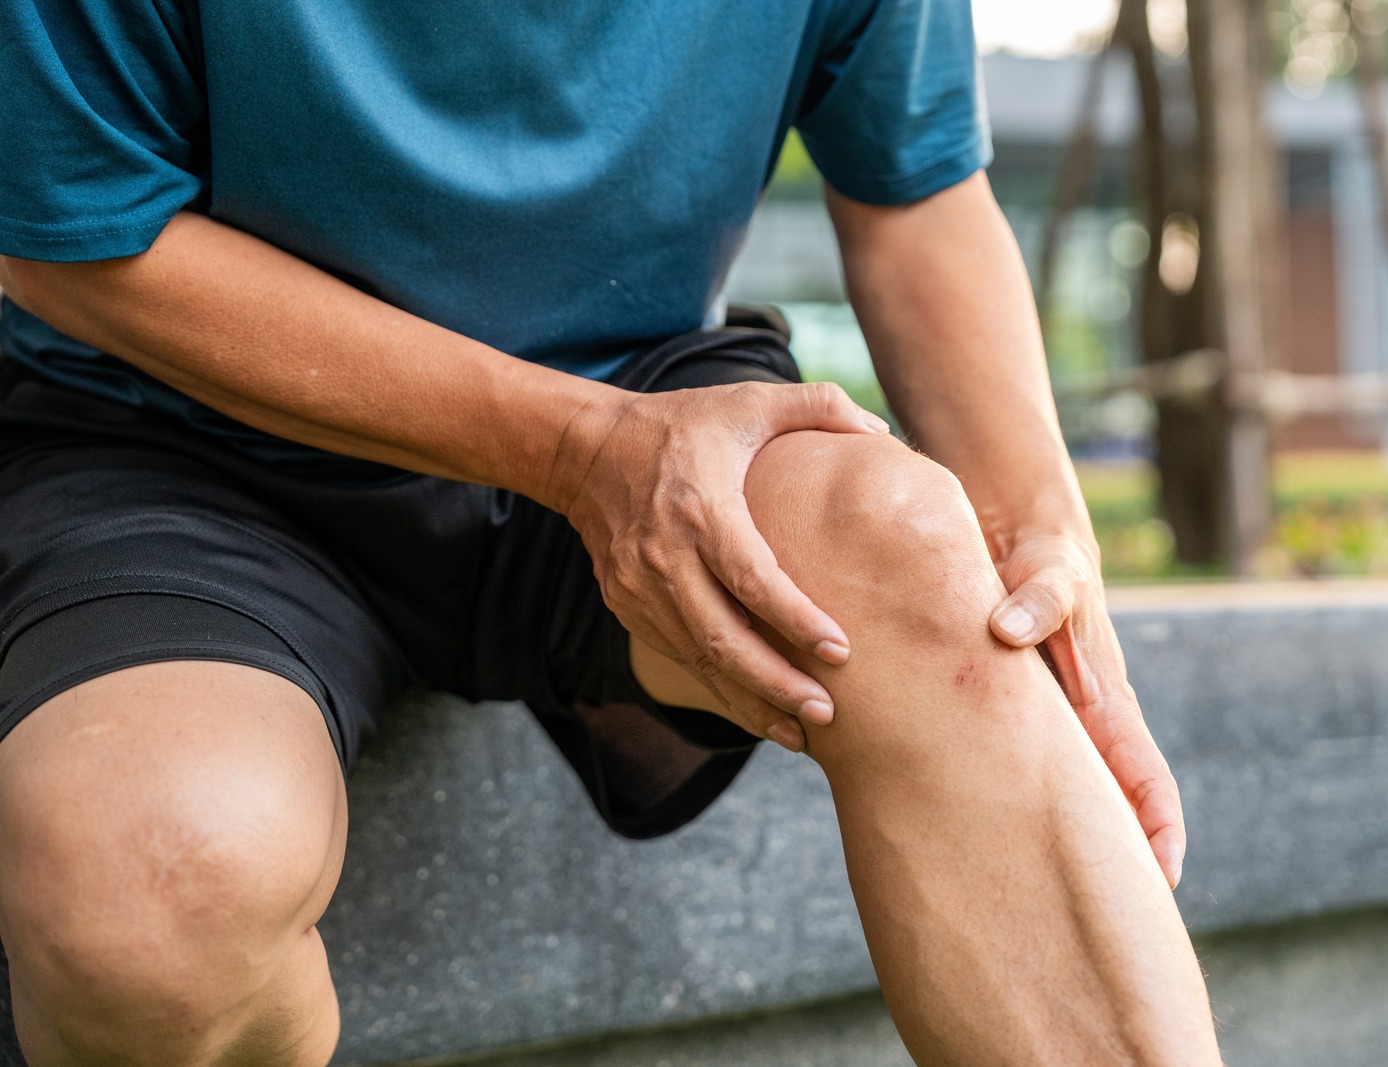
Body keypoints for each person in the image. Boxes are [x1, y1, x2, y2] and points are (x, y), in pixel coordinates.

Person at [0, 0, 1223, 1063]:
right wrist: (575, 450)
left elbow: (915, 198)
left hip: (649, 393)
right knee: (155, 899)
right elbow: (78, 243)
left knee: (915, 557)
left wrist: (1037, 530)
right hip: (182, 446)